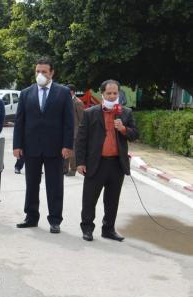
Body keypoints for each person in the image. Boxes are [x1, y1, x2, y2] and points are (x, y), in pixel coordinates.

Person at [13, 57, 74, 234]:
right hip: (31, 147)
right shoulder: (26, 93)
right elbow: (19, 121)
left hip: (55, 148)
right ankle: (31, 217)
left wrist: (67, 145)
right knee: (31, 184)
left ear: (52, 73)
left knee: (55, 185)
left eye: (44, 72)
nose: (40, 74)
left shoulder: (63, 93)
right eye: (38, 71)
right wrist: (17, 145)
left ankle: (55, 220)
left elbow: (69, 122)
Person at [75, 79, 138, 242]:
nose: (112, 96)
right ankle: (87, 228)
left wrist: (123, 128)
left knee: (112, 200)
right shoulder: (90, 113)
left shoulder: (125, 112)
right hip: (96, 162)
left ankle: (108, 229)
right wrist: (80, 162)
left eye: (115, 93)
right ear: (102, 94)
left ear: (119, 94)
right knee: (89, 199)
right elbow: (81, 139)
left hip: (117, 163)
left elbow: (135, 134)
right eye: (108, 93)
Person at [64, 83, 86, 176]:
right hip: (65, 130)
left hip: (75, 131)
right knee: (65, 150)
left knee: (73, 152)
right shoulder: (65, 100)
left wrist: (81, 132)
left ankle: (73, 170)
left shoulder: (78, 102)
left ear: (72, 92)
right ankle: (64, 169)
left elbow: (82, 118)